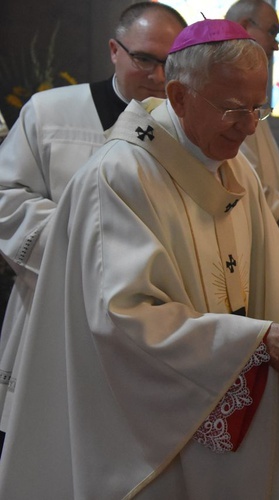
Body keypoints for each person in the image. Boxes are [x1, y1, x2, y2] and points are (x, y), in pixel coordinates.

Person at [0, 19, 279, 498]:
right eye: (234, 108)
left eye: (259, 108)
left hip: (225, 410)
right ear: (178, 96)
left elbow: (277, 273)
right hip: (146, 431)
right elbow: (122, 319)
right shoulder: (120, 175)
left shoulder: (235, 169)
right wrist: (250, 340)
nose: (249, 126)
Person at [0, 1, 186, 439]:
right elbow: (6, 195)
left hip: (145, 327)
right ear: (114, 51)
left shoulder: (186, 133)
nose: (158, 75)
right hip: (52, 308)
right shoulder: (50, 113)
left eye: (171, 63)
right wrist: (89, 252)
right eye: (144, 59)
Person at [226, 0, 279, 233]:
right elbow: (231, 165)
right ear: (245, 25)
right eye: (272, 32)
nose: (276, 46)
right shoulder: (224, 80)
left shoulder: (245, 80)